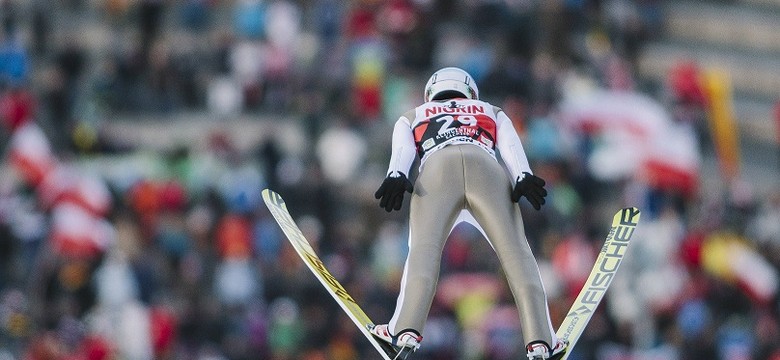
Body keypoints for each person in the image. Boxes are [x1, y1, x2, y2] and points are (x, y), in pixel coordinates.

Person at [370, 67, 567, 360]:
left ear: (430, 93)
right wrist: (523, 175)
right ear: (470, 91)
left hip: (437, 169)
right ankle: (540, 340)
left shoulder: (413, 114)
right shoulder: (490, 109)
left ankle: (405, 329)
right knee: (518, 255)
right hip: (486, 168)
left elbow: (402, 149)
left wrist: (396, 174)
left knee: (423, 252)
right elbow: (510, 144)